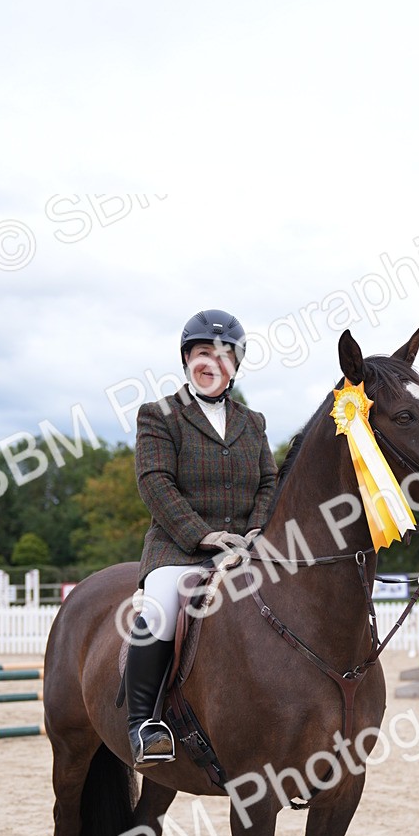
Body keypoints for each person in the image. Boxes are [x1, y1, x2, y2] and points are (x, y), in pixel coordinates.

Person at [127, 309, 278, 766]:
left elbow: (270, 481)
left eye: (223, 355)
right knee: (161, 602)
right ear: (187, 359)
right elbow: (155, 483)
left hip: (245, 549)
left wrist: (255, 527)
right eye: (202, 353)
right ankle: (144, 722)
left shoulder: (254, 422)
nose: (212, 362)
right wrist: (205, 535)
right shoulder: (158, 415)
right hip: (179, 548)